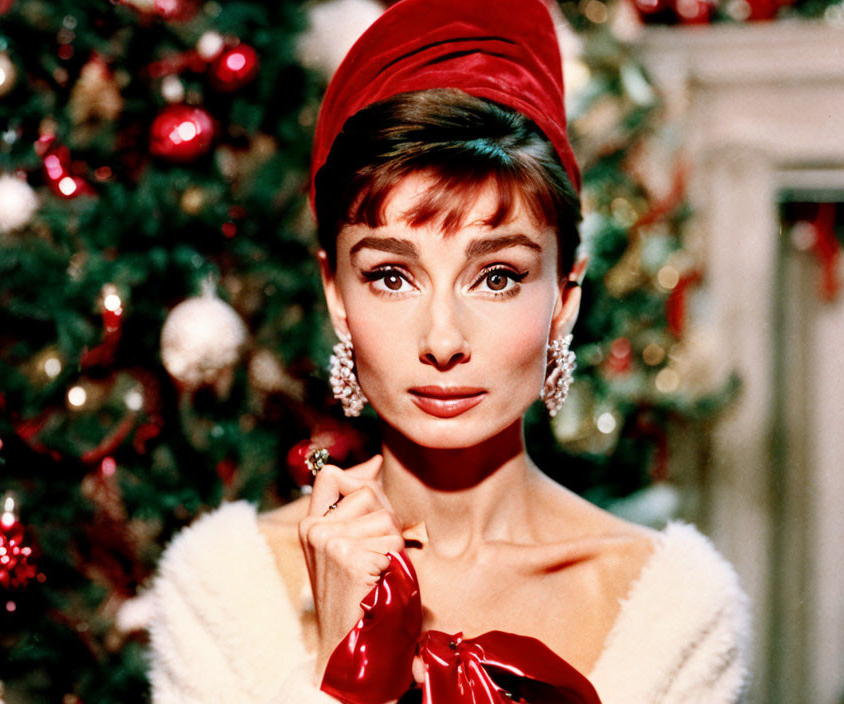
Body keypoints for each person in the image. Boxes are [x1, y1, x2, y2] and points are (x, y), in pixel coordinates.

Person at [147, 0, 751, 702]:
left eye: (497, 277)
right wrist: (346, 668)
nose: (442, 341)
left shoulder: (673, 610)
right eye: (391, 276)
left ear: (564, 298)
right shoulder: (227, 587)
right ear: (336, 292)